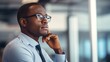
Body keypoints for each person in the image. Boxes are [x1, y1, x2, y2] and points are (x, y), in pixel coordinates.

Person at [2, 2, 67, 62]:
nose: (45, 21)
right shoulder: (17, 48)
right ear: (24, 22)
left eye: (46, 17)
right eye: (39, 16)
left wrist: (58, 50)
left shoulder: (39, 49)